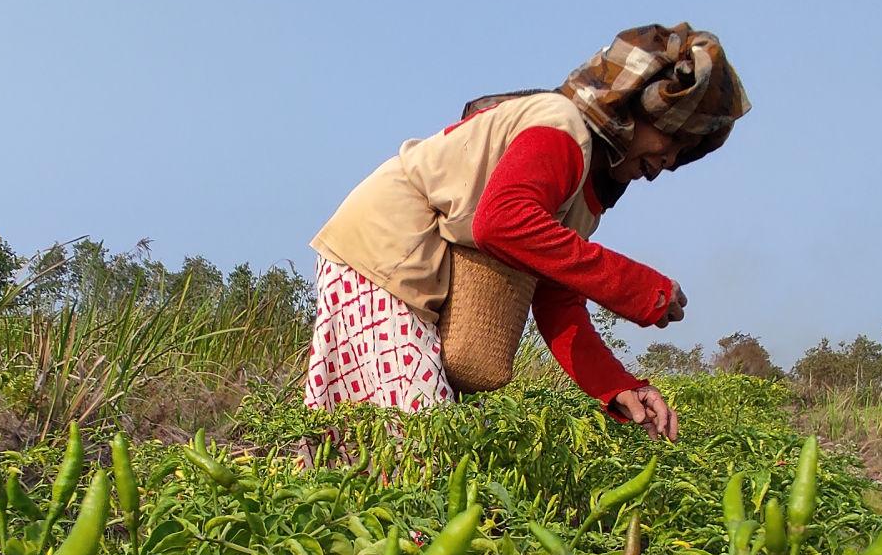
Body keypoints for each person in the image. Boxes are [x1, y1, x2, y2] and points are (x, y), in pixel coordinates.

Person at [303, 23, 748, 442]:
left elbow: (558, 300)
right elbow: (503, 221)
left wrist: (618, 386)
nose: (669, 160)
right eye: (670, 139)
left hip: (411, 270)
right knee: (420, 448)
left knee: (390, 448)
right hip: (383, 253)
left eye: (685, 152)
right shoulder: (562, 128)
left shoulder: (588, 187)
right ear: (629, 110)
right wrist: (637, 287)